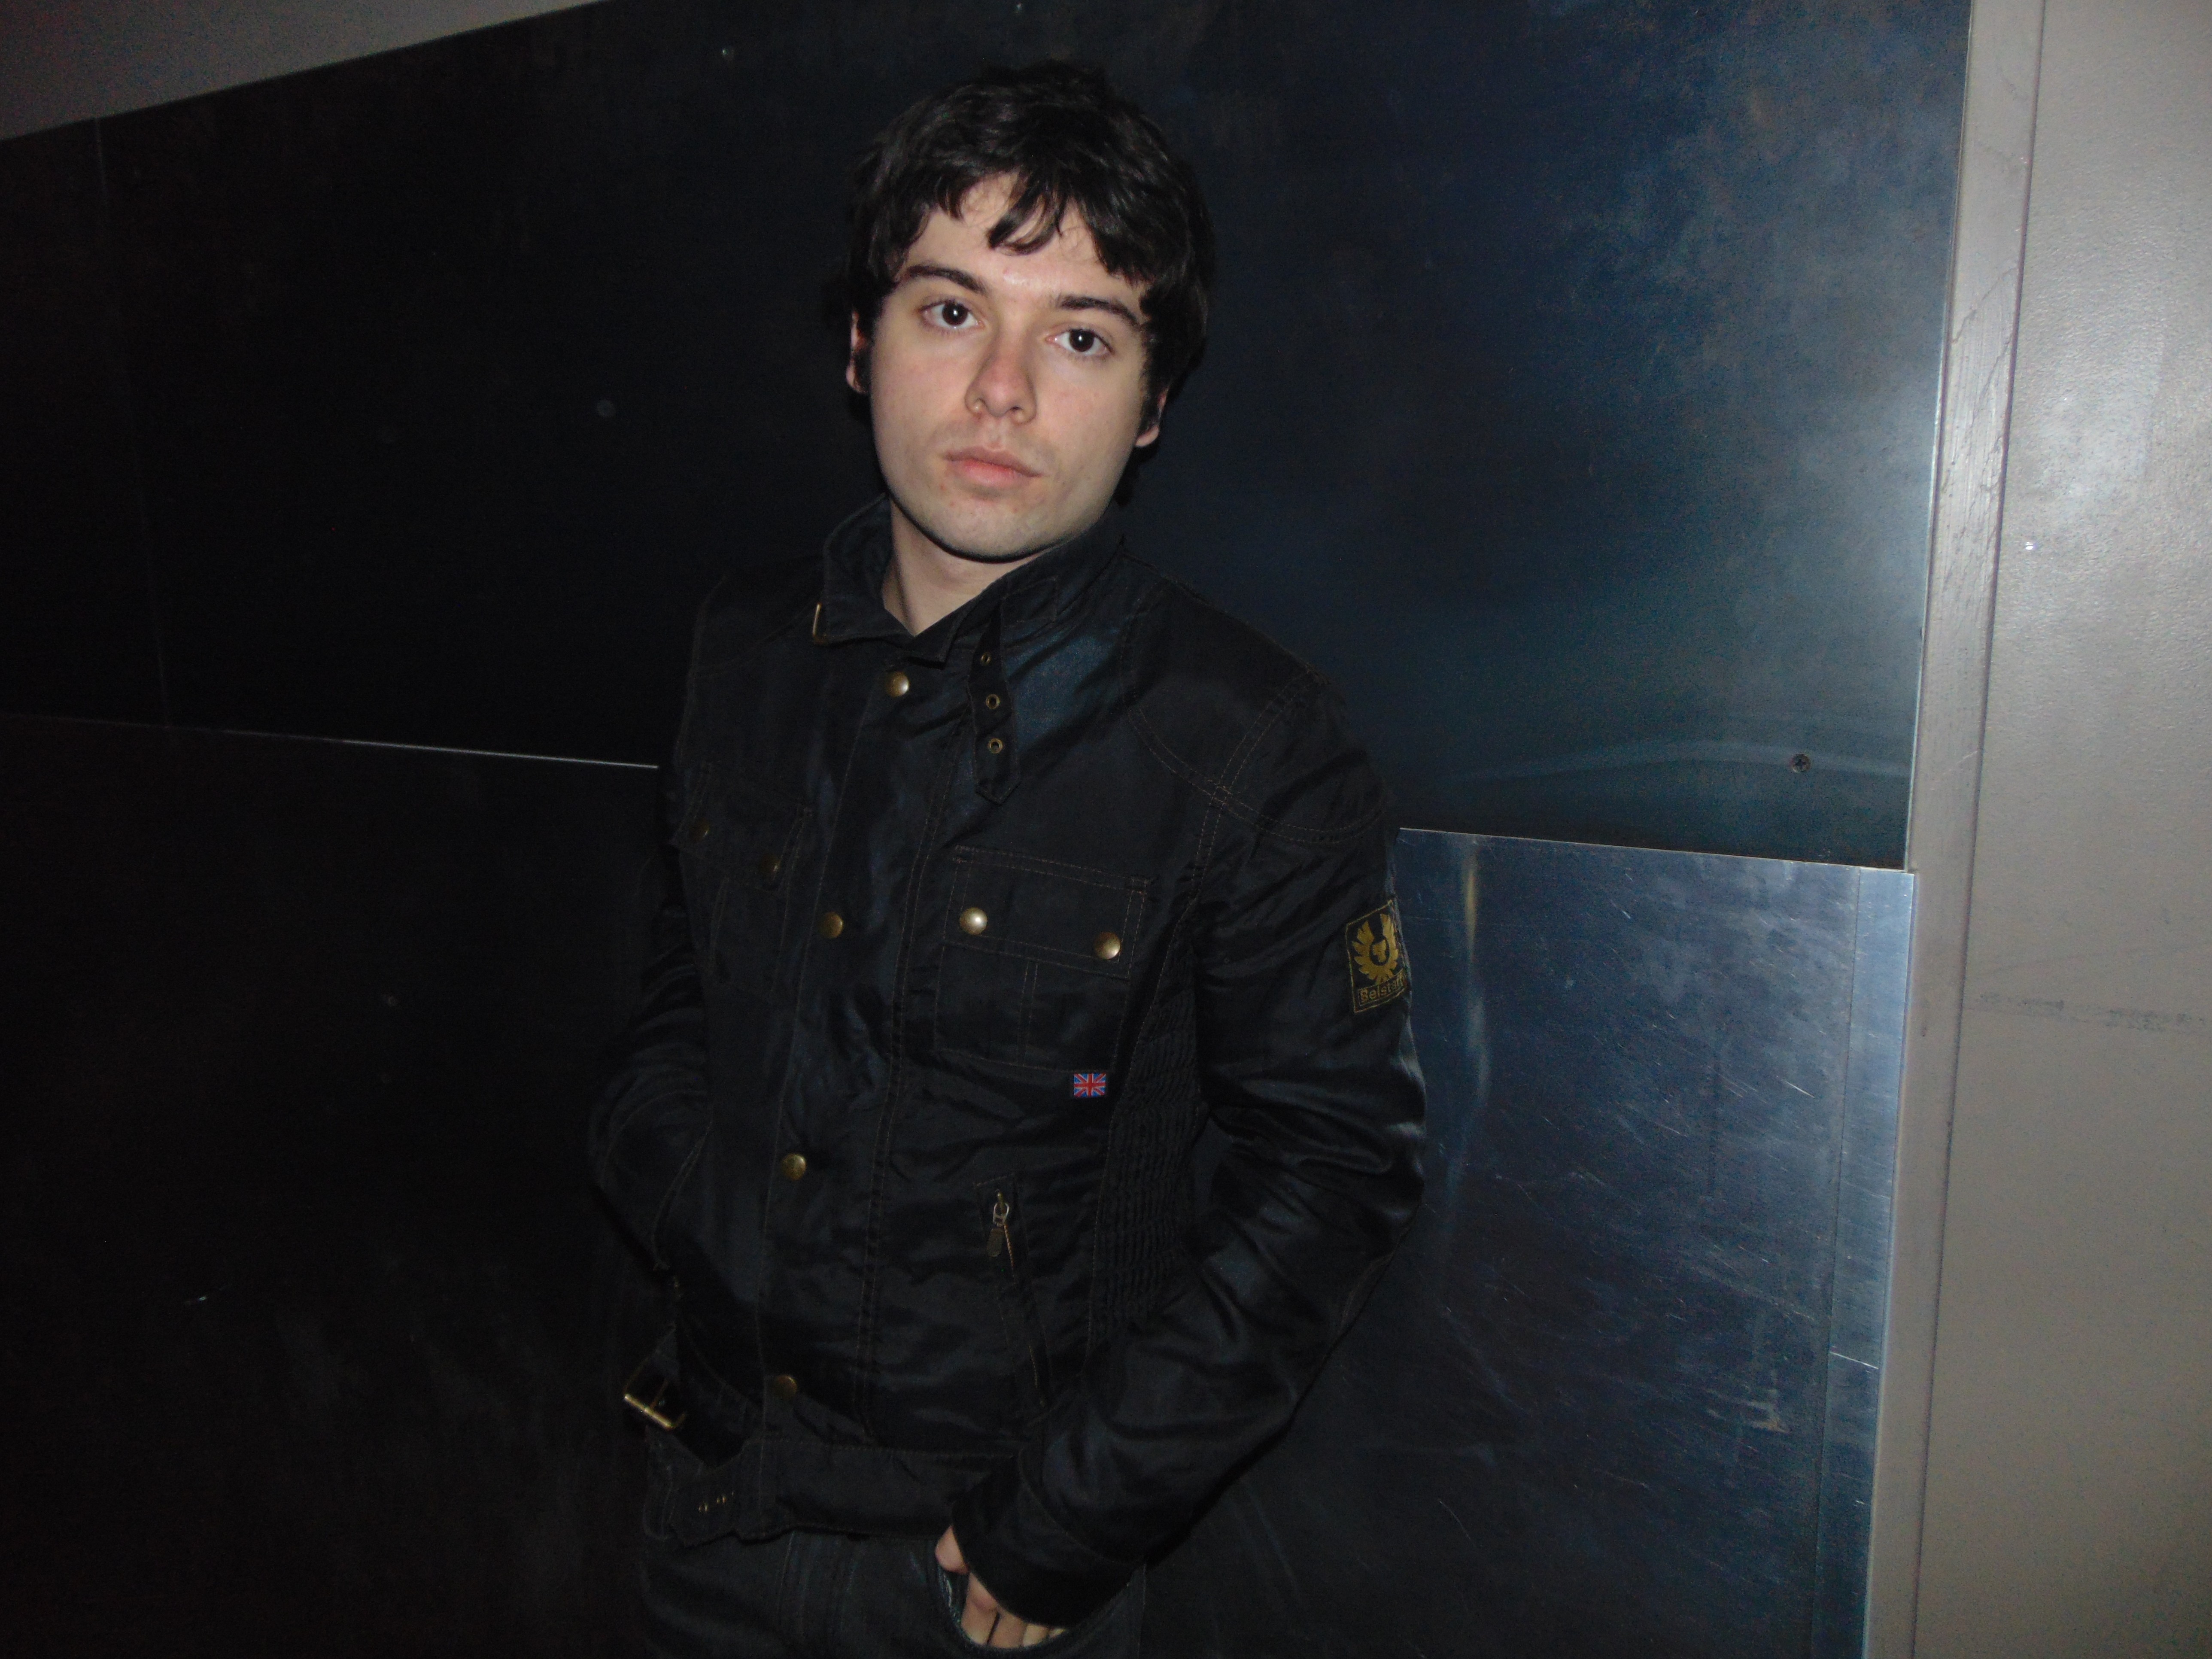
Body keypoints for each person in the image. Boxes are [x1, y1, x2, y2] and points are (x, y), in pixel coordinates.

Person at [590, 59, 1424, 1657]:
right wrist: (685, 1197)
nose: (1002, 392)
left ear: (1154, 404)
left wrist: (1069, 1517)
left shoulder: (1247, 741)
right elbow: (681, 990)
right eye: (951, 310)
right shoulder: (744, 650)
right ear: (861, 344)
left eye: (1082, 337)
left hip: (989, 1578)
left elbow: (1332, 1169)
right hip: (705, 1507)